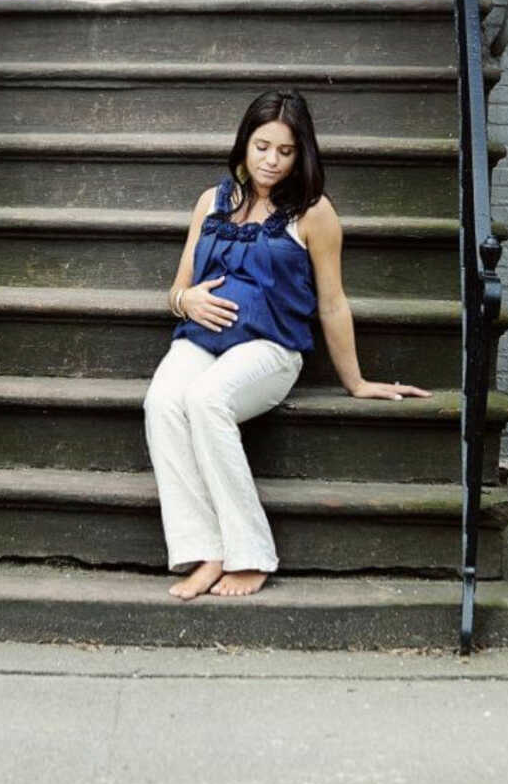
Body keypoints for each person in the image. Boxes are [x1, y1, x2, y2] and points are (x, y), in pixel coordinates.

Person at [143, 88, 431, 601]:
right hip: (201, 337)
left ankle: (250, 554)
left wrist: (357, 381)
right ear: (243, 145)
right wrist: (186, 302)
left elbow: (333, 302)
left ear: (302, 154)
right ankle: (206, 550)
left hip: (269, 349)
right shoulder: (211, 203)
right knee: (162, 401)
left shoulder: (314, 213)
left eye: (285, 150)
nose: (271, 160)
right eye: (261, 146)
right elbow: (177, 286)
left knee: (206, 400)